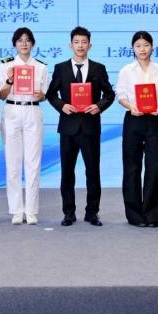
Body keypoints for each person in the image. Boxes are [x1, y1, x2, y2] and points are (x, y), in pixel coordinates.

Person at [45, 26, 115, 227]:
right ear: (71, 45)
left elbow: (110, 94)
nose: (80, 46)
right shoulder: (61, 68)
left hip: (90, 126)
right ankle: (68, 213)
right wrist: (62, 106)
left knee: (92, 172)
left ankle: (92, 213)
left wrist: (99, 106)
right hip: (68, 128)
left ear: (90, 45)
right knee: (67, 172)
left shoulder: (98, 68)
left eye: (84, 42)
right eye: (76, 42)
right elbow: (51, 94)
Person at [114, 31, 158, 227]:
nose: (142, 49)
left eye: (146, 45)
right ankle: (134, 215)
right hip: (134, 119)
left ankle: (153, 215)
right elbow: (120, 95)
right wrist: (131, 107)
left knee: (155, 166)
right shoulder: (126, 70)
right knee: (132, 167)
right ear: (133, 48)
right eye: (138, 46)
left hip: (154, 119)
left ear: (152, 47)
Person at [0, 27, 50, 226]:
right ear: (15, 44)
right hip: (12, 111)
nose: (24, 43)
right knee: (13, 163)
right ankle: (16, 210)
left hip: (32, 111)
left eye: (28, 40)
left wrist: (41, 95)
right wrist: (10, 80)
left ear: (33, 43)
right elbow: (2, 95)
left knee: (33, 163)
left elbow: (44, 95)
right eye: (20, 40)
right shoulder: (6, 65)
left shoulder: (41, 66)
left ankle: (31, 210)